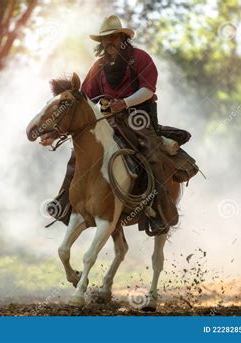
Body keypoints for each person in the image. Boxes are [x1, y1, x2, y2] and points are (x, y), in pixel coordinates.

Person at [42, 15, 178, 234]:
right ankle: (64, 202)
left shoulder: (141, 58)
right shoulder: (99, 66)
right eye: (105, 39)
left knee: (151, 152)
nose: (109, 43)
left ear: (122, 38)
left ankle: (159, 210)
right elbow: (84, 98)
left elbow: (148, 90)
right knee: (78, 153)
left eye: (113, 37)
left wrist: (123, 103)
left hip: (138, 118)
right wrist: (55, 130)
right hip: (107, 120)